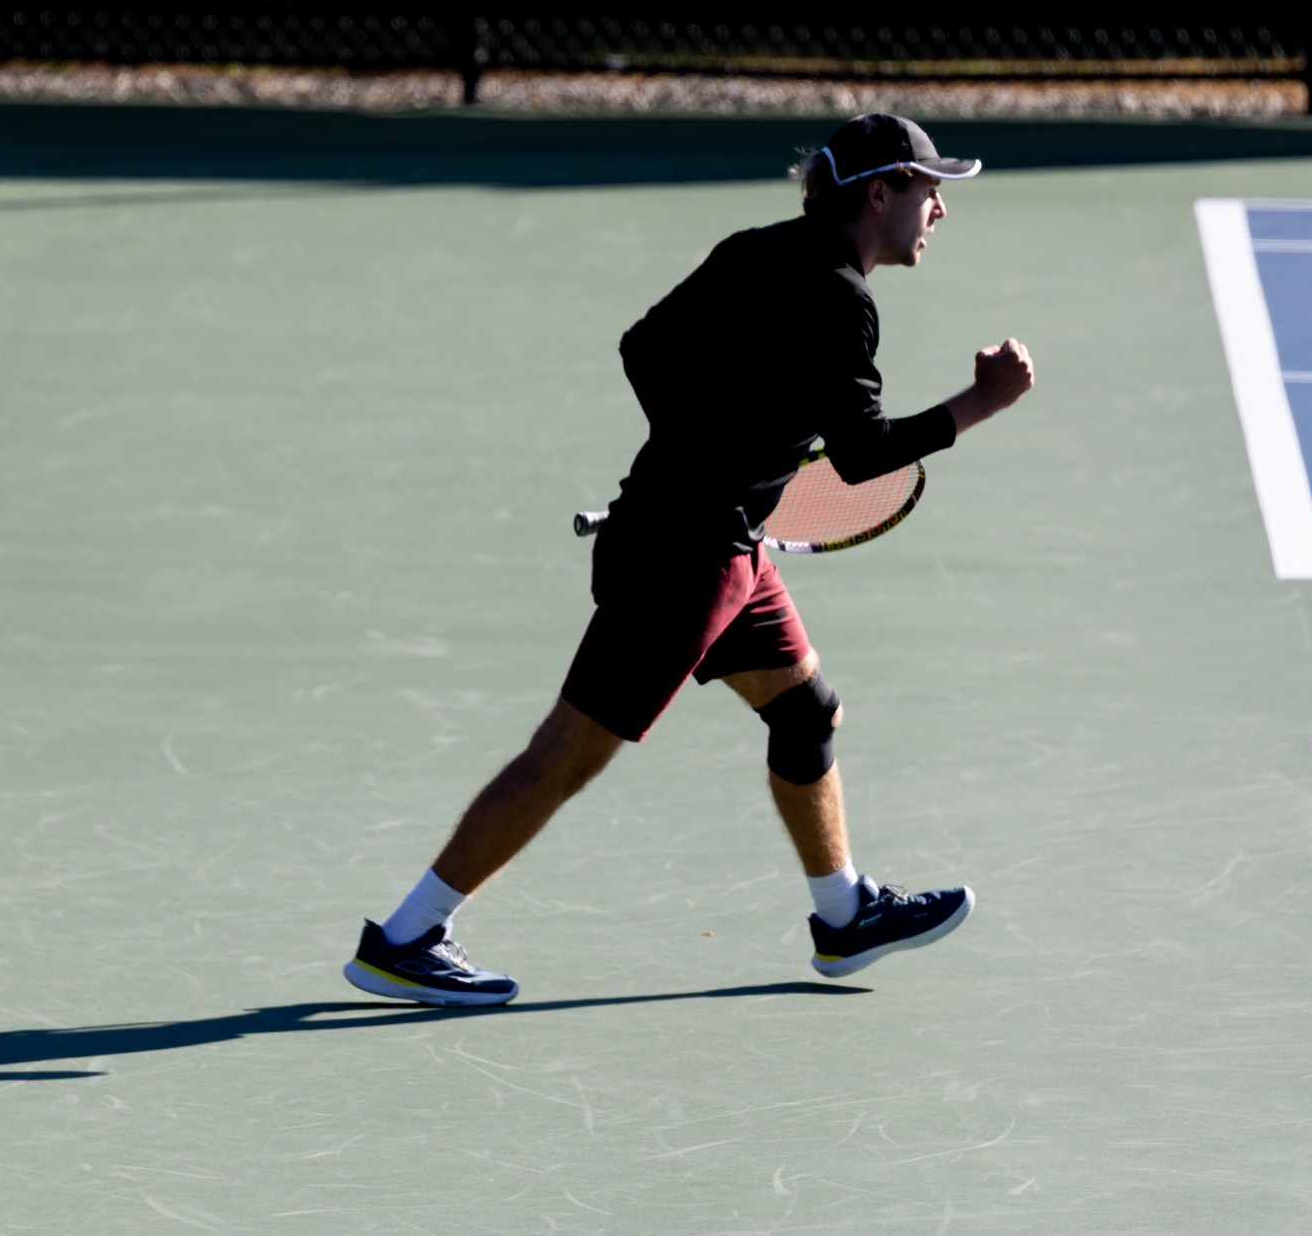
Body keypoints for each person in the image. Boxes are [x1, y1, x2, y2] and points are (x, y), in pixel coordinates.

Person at [344, 113, 1035, 1007]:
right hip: (685, 558)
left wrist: (707, 443)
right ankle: (405, 936)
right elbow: (862, 456)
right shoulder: (840, 297)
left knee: (806, 713)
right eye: (929, 187)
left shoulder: (753, 249)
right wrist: (983, 401)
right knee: (567, 754)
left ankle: (844, 914)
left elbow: (644, 349)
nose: (940, 207)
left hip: (722, 543)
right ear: (879, 192)